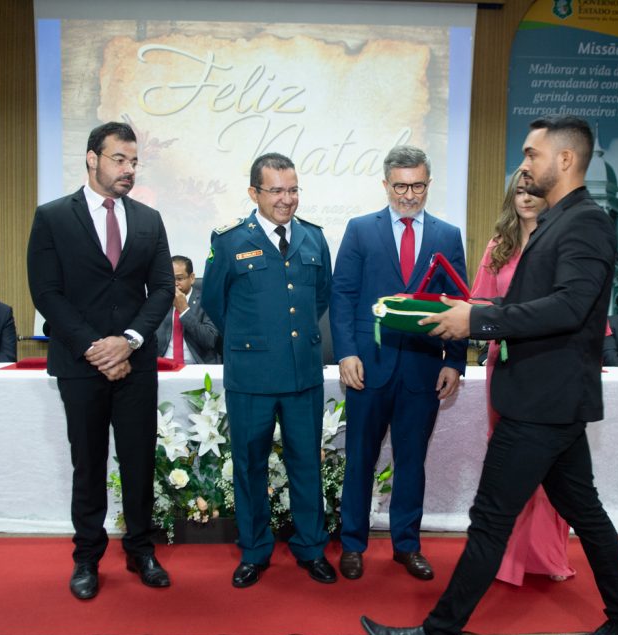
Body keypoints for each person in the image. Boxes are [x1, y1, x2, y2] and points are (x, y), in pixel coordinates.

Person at [361, 116, 618, 635]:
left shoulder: (586, 223)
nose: (524, 163)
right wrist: (475, 317)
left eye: (532, 153)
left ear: (565, 161)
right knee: (586, 513)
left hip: (542, 403)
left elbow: (569, 308)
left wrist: (480, 319)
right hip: (551, 399)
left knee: (491, 518)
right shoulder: (559, 220)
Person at [27, 121, 175, 600]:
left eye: (134, 161)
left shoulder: (149, 220)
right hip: (81, 362)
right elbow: (46, 292)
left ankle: (140, 549)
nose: (128, 169)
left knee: (138, 461)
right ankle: (87, 558)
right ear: (92, 158)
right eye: (119, 159)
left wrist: (128, 340)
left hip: (135, 363)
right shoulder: (52, 217)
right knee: (87, 464)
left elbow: (164, 291)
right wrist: (97, 347)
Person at [330, 145, 467, 582]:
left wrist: (456, 362)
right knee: (359, 460)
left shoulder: (447, 235)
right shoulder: (359, 230)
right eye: (401, 186)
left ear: (429, 183)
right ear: (386, 185)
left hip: (423, 370)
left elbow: (458, 301)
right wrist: (347, 352)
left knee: (412, 461)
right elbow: (343, 296)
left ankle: (407, 545)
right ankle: (353, 544)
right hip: (367, 368)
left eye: (419, 185)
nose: (410, 195)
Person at [201, 152, 336, 589]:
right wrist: (253, 340)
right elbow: (216, 306)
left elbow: (320, 301)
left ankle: (312, 548)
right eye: (276, 190)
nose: (287, 199)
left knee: (305, 465)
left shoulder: (314, 238)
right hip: (251, 377)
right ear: (254, 192)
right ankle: (255, 551)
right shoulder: (228, 240)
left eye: (293, 189)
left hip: (302, 376)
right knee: (249, 466)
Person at [470, 170, 574, 587]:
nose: (526, 198)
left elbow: (576, 308)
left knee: (550, 464)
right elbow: (476, 303)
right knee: (508, 463)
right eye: (519, 190)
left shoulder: (564, 244)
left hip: (551, 368)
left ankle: (544, 556)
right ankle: (508, 558)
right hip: (506, 366)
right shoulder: (499, 247)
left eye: (534, 191)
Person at [155, 255, 221, 364]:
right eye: (170, 278)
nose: (175, 284)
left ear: (192, 278)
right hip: (164, 365)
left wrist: (184, 310)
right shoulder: (159, 302)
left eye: (179, 279)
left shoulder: (207, 301)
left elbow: (210, 340)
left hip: (196, 366)